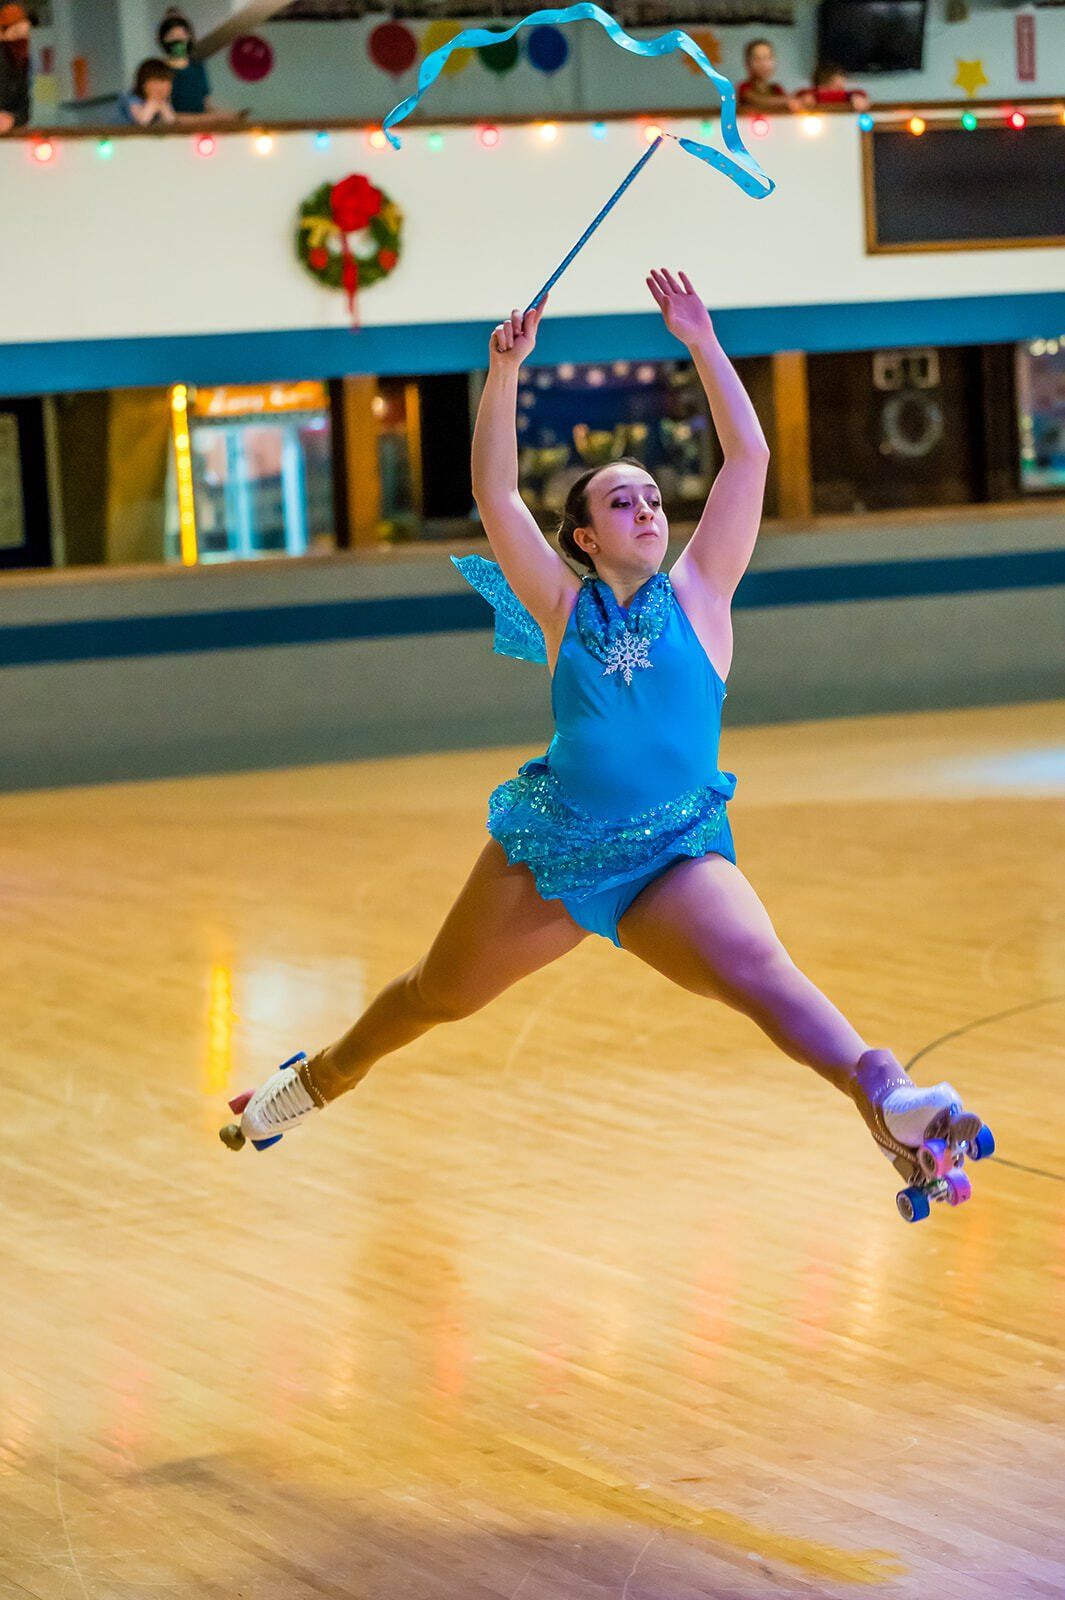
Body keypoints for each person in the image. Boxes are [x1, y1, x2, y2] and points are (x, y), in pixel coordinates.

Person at [220, 269, 990, 1220]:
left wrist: (702, 340)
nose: (648, 510)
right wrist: (505, 371)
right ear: (583, 537)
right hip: (552, 853)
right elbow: (494, 490)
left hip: (672, 853)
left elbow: (747, 457)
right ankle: (310, 1084)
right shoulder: (560, 605)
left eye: (654, 498)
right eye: (622, 503)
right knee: (434, 996)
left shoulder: (702, 592)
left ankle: (887, 1095)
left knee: (759, 972)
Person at [158, 7, 242, 123]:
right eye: (172, 36)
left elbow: (206, 105)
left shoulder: (198, 67)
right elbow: (166, 114)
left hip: (202, 128)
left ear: (189, 38)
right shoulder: (160, 70)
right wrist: (212, 117)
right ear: (164, 40)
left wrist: (225, 115)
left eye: (182, 35)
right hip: (176, 129)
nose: (178, 40)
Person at [737, 38, 799, 114]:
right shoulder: (744, 87)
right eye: (757, 59)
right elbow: (756, 100)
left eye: (768, 57)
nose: (764, 64)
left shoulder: (776, 88)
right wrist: (787, 101)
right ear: (747, 63)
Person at [0, 2, 31, 135]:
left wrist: (12, 120)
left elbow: (25, 109)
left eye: (25, 33)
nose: (21, 38)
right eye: (17, 32)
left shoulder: (19, 62)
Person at [118, 58, 176, 127]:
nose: (162, 87)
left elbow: (171, 122)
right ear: (144, 84)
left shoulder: (163, 101)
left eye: (167, 82)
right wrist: (153, 101)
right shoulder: (130, 98)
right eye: (157, 82)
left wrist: (162, 105)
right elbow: (141, 123)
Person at [796, 62, 871, 112]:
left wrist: (854, 96)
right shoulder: (808, 95)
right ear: (821, 87)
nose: (840, 92)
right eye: (837, 87)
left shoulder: (850, 97)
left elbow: (858, 94)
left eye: (842, 88)